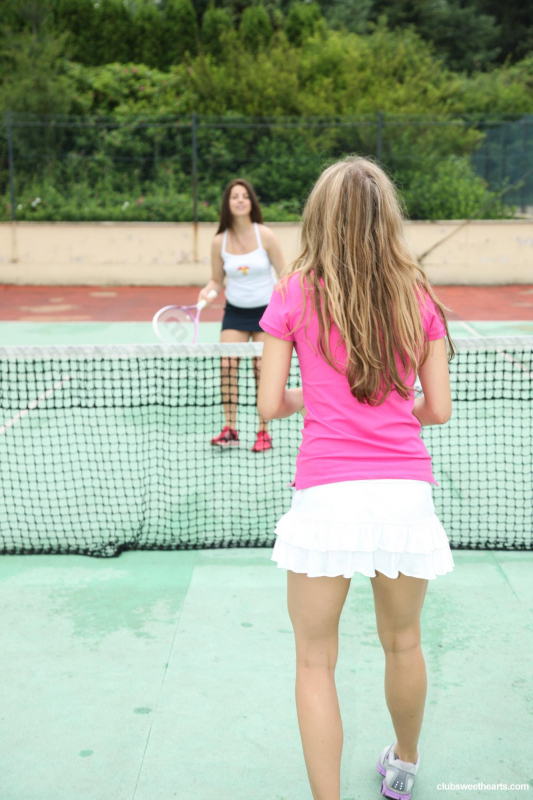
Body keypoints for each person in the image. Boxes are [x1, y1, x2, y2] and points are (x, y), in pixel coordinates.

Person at [256, 156, 456, 800]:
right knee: (403, 643)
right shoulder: (417, 294)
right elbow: (438, 410)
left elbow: (268, 403)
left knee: (315, 660)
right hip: (404, 496)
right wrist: (391, 410)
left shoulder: (291, 293)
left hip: (326, 498)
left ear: (320, 218)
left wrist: (312, 398)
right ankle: (403, 763)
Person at [197, 178, 285, 452]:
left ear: (251, 203)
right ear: (228, 204)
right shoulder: (218, 242)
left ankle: (263, 431)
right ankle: (230, 429)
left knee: (261, 371)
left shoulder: (266, 235)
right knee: (227, 367)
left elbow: (285, 276)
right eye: (234, 196)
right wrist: (207, 291)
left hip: (265, 313)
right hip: (235, 313)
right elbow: (216, 279)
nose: (239, 200)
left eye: (244, 196)